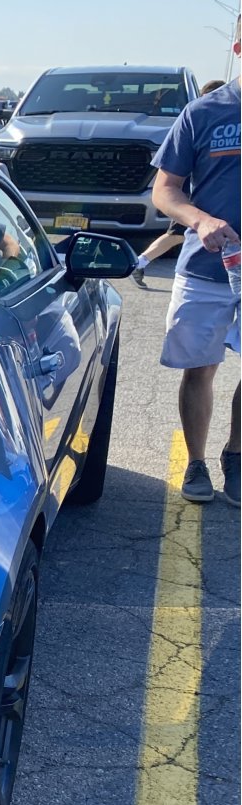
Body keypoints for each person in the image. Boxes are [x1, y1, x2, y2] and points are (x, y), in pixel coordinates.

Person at [150, 75, 241, 505]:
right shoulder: (203, 112)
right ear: (239, 46)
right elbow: (165, 190)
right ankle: (197, 461)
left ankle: (236, 456)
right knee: (201, 368)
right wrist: (199, 219)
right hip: (207, 268)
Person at [133, 79, 227, 287]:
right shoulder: (199, 115)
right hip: (191, 204)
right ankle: (139, 262)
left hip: (194, 206)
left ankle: (139, 262)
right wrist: (200, 219)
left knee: (174, 236)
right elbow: (165, 186)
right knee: (174, 236)